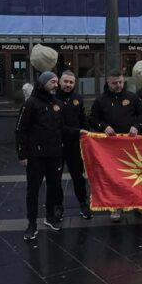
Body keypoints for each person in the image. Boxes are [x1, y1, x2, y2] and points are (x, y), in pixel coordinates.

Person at [89, 70, 142, 222]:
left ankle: (139, 204)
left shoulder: (132, 97)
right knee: (115, 177)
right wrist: (104, 126)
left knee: (136, 175)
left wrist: (136, 126)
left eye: (121, 82)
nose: (119, 85)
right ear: (108, 82)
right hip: (111, 147)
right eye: (115, 83)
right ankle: (116, 206)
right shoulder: (100, 100)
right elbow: (92, 119)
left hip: (132, 144)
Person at [15, 71, 64, 241]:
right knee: (33, 190)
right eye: (52, 82)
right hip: (36, 155)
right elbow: (20, 130)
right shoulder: (30, 103)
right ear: (42, 83)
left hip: (55, 154)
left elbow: (62, 127)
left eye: (57, 82)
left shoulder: (58, 103)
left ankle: (50, 217)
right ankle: (31, 224)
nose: (56, 85)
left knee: (53, 187)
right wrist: (22, 154)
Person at [57, 70, 93, 220]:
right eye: (65, 81)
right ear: (59, 81)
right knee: (55, 178)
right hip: (57, 145)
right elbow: (57, 125)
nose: (68, 85)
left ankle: (83, 204)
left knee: (78, 177)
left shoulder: (77, 98)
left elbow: (82, 119)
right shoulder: (52, 98)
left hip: (75, 146)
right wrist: (78, 131)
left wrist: (87, 133)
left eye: (71, 82)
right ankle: (58, 207)